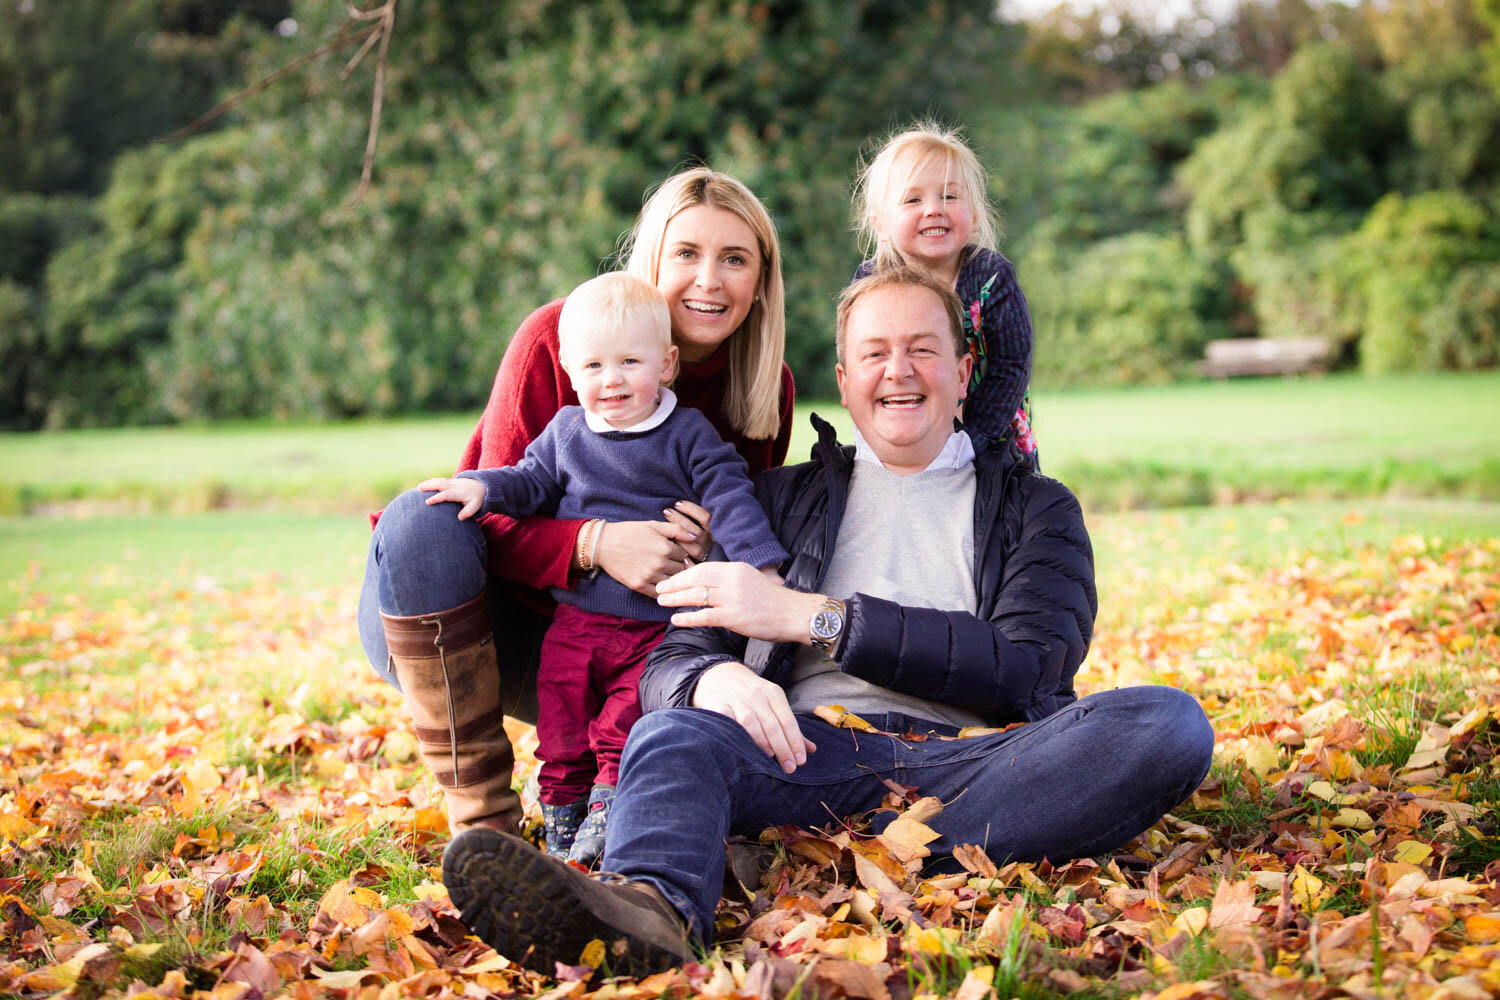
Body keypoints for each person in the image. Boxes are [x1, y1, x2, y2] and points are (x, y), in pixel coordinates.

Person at [440, 266, 1216, 976]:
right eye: (874, 353)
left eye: (922, 349)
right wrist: (711, 677)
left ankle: (896, 849)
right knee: (671, 733)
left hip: (973, 764)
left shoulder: (1036, 508)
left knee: (1164, 723)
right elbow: (670, 657)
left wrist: (814, 617)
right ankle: (647, 912)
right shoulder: (779, 498)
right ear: (845, 383)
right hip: (804, 753)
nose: (899, 371)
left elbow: (1029, 665)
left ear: (963, 372)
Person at [357, 168, 797, 842]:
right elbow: (482, 522)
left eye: (734, 259)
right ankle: (484, 821)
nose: (709, 279)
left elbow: (744, 528)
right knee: (424, 515)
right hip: (485, 627)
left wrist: (715, 554)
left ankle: (601, 802)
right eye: (687, 254)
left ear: (760, 280)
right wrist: (595, 544)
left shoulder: (764, 386)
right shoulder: (563, 340)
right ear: (653, 258)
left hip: (644, 643)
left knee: (647, 721)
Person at [416, 273, 789, 865]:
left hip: (652, 629)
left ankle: (609, 809)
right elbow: (528, 483)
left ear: (666, 365)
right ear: (569, 368)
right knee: (561, 725)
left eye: (628, 362)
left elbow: (732, 496)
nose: (610, 379)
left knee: (622, 723)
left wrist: (763, 572)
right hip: (576, 624)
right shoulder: (566, 434)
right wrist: (479, 488)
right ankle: (562, 818)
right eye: (593, 366)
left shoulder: (687, 434)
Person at [854, 121, 1037, 456]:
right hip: (901, 426)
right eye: (912, 200)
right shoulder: (872, 283)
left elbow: (1011, 364)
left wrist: (973, 438)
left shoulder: (992, 277)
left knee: (995, 506)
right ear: (880, 223)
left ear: (976, 215)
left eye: (950, 196)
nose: (934, 209)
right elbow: (859, 360)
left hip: (990, 437)